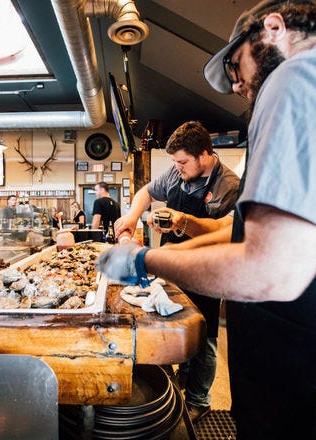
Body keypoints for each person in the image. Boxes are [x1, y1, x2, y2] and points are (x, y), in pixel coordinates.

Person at [97, 0, 316, 438]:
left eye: (235, 66)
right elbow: (237, 231)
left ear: (273, 28)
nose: (237, 85)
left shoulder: (304, 75)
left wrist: (144, 262)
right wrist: (146, 256)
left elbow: (269, 267)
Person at [114, 120, 240, 422]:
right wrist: (132, 217)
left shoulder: (229, 187)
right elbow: (146, 192)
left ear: (204, 154)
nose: (177, 168)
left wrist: (182, 221)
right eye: (175, 162)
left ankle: (199, 400)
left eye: (182, 162)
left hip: (206, 271)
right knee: (174, 326)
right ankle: (181, 381)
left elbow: (222, 231)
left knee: (203, 337)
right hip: (173, 266)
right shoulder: (176, 172)